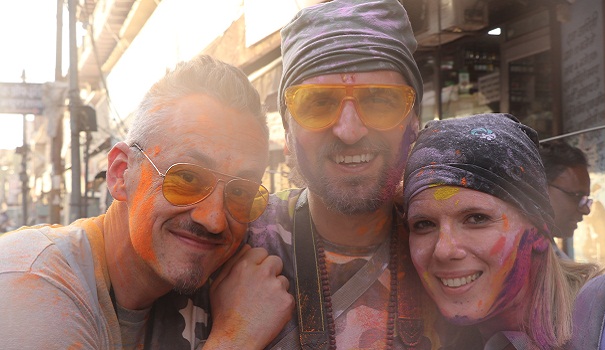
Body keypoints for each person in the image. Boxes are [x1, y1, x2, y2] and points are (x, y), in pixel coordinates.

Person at [0, 55, 293, 349]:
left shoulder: (191, 294)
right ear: (120, 174)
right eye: (187, 178)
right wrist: (237, 336)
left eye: (240, 192)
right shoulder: (34, 280)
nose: (214, 219)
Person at [246, 0, 455, 348]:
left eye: (380, 101)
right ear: (286, 130)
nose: (349, 130)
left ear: (414, 122)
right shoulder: (237, 245)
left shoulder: (453, 249)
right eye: (317, 103)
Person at [403, 113, 600, 349]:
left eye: (476, 218)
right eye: (424, 224)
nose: (444, 250)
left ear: (539, 229)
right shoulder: (432, 338)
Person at [539, 140, 592, 258]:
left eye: (586, 199)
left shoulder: (552, 255)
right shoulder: (514, 257)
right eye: (577, 196)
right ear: (540, 189)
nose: (586, 210)